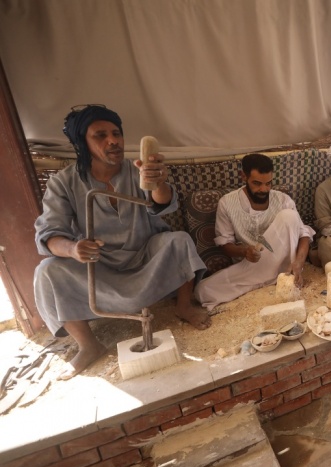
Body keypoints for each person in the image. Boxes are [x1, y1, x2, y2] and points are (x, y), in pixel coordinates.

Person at [34, 105, 211, 380]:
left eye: (116, 133)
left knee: (179, 241)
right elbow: (49, 234)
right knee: (46, 271)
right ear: (83, 143)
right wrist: (73, 249)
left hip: (143, 256)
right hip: (98, 267)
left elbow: (162, 205)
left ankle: (184, 306)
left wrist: (159, 181)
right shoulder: (63, 182)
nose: (112, 140)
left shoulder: (137, 169)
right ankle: (88, 345)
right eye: (100, 136)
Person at [193, 153, 314, 310]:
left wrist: (299, 262)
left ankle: (280, 278)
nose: (264, 189)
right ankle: (266, 280)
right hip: (250, 265)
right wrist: (244, 252)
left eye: (268, 183)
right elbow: (225, 244)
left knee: (289, 216)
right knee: (202, 291)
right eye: (257, 183)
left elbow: (303, 233)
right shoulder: (227, 203)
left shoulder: (283, 199)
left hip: (285, 265)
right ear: (243, 176)